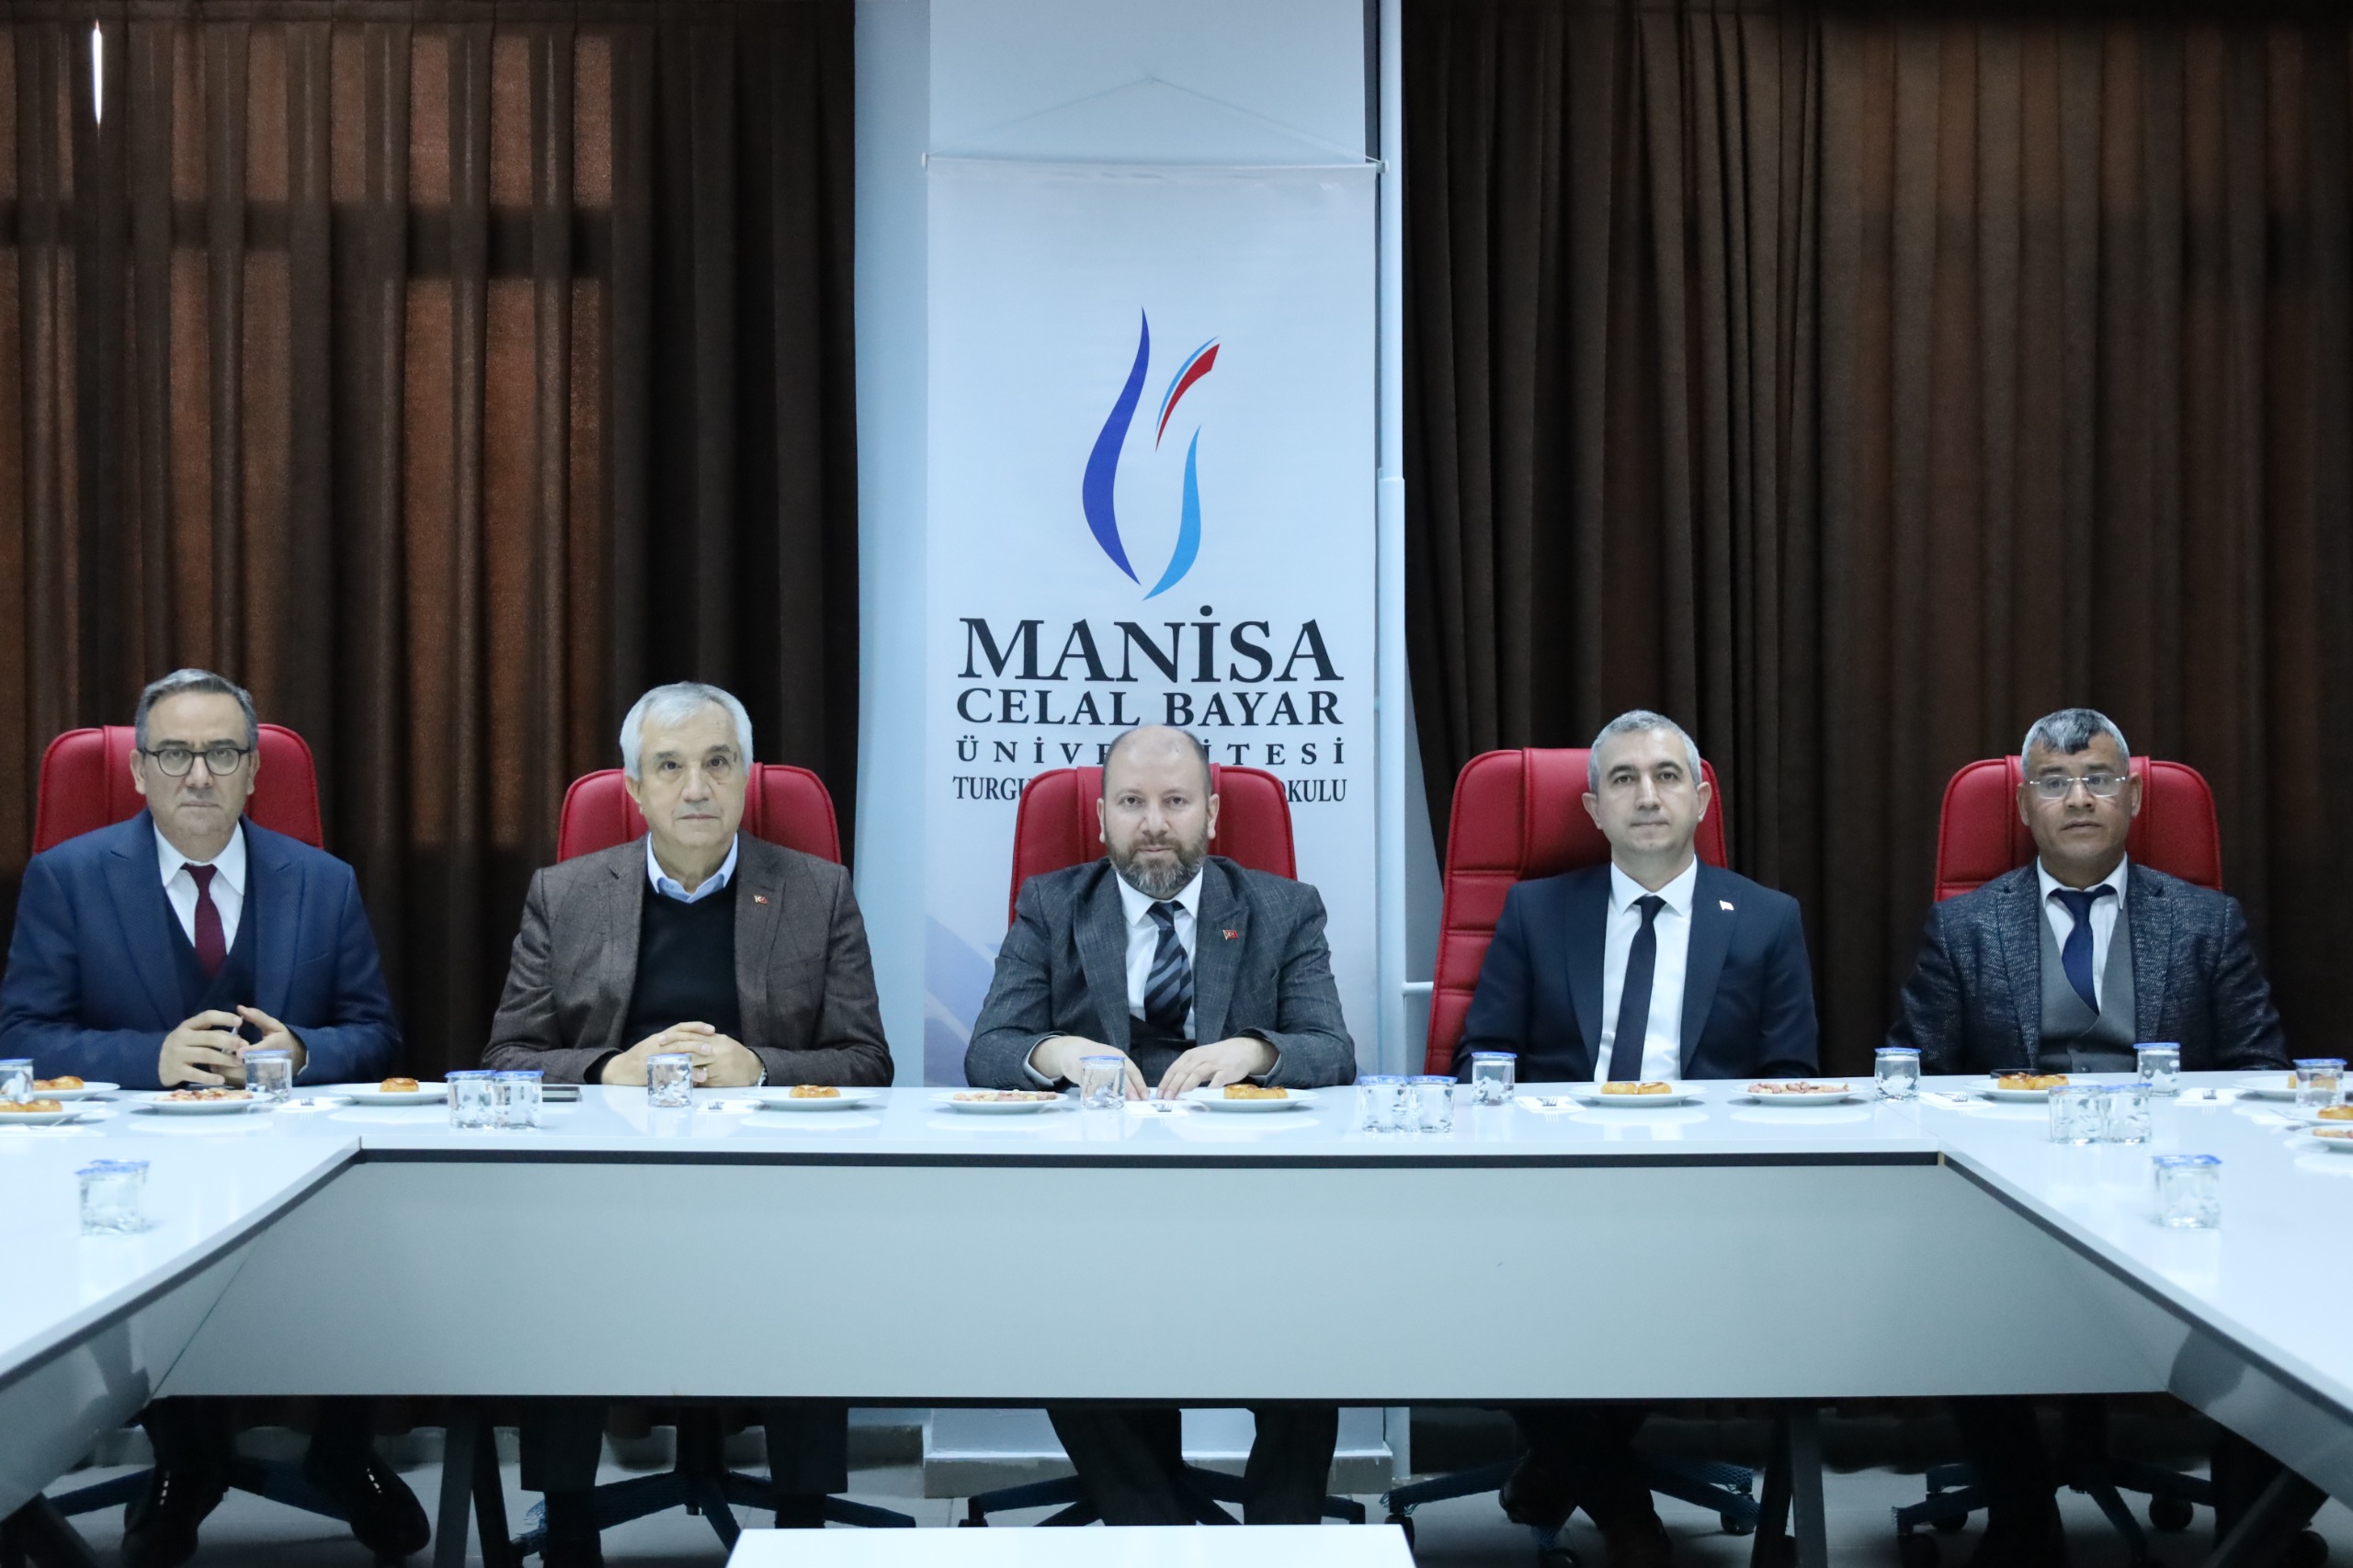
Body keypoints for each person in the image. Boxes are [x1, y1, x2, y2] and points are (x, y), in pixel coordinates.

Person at [0, 669, 421, 1567]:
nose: (199, 774)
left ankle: (342, 1451)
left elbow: (377, 1034)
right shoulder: (67, 879)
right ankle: (184, 1457)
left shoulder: (323, 881)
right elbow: (21, 1038)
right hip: (129, 1170)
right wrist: (149, 1059)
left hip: (299, 1169)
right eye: (175, 754)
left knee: (385, 1225)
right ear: (138, 770)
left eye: (223, 752)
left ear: (254, 770)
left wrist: (301, 1051)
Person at [486, 681, 892, 1566]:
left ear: (746, 776)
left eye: (717, 763)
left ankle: (803, 1521)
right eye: (669, 767)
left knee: (811, 1249)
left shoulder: (817, 891)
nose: (696, 788)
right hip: (608, 1177)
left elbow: (867, 1062)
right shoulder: (566, 894)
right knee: (557, 1256)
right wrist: (610, 1070)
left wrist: (760, 1068)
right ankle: (569, 1518)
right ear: (634, 789)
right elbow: (508, 1057)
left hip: (769, 1177)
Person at [1888, 708, 2295, 1566]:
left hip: (2173, 1193)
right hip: (2013, 1199)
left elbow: (2260, 1075)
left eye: (2099, 780)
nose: (2079, 799)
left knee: (2276, 1294)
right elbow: (1916, 1083)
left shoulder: (2206, 921)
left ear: (2134, 797)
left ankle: (2251, 1532)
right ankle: (2023, 1513)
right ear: (2025, 806)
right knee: (1947, 1275)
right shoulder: (1966, 928)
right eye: (2055, 782)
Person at [1455, 709, 1819, 1568]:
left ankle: (1562, 1467)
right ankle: (1628, 1517)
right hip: (1552, 1185)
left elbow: (1789, 1076)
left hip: (1704, 1191)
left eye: (1665, 776)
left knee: (1668, 1288)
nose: (1646, 795)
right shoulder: (1538, 911)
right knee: (1494, 1291)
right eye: (1623, 779)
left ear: (1701, 798)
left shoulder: (1765, 919)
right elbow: (1483, 1059)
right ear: (1593, 809)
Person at [965, 724, 1355, 1523]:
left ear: (1212, 813)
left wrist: (1253, 1050)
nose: (1153, 824)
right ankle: (1153, 1527)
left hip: (1246, 1197)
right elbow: (989, 1050)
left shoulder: (1283, 909)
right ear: (1100, 816)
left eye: (1175, 802)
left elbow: (1332, 1049)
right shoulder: (1052, 905)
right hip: (1095, 1198)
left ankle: (1282, 1540)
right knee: (1060, 1317)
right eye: (1132, 803)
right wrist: (1059, 1052)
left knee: (1312, 1324)